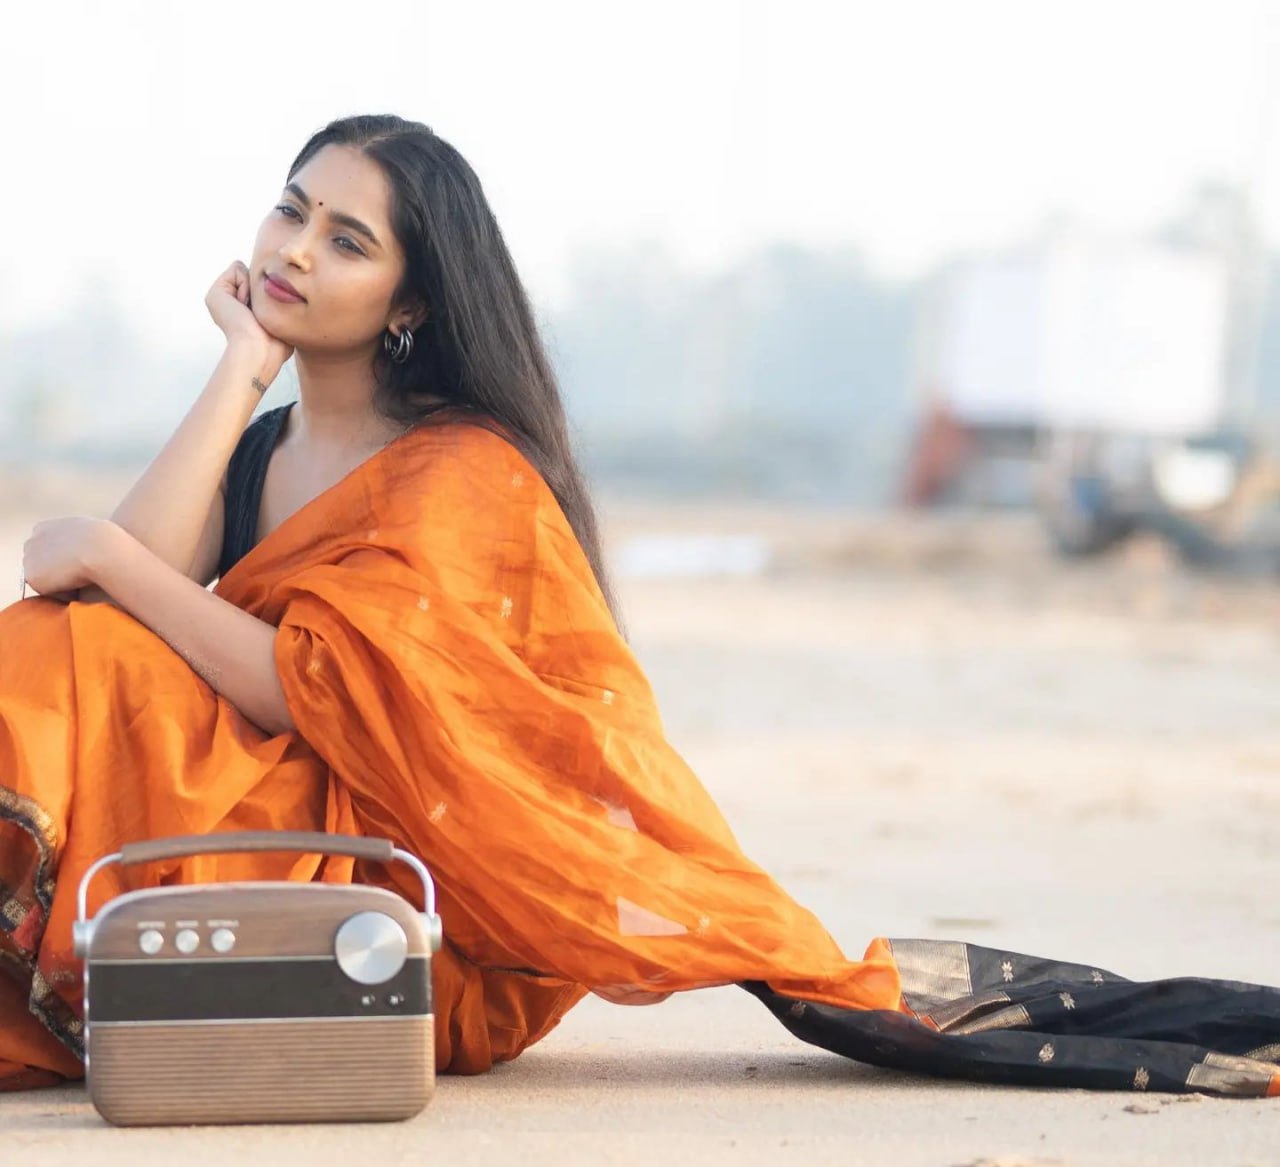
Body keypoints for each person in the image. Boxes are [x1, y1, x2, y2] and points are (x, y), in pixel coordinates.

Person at [3, 115, 1278, 1099]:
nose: (292, 249)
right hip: (263, 816)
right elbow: (118, 574)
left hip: (407, 903)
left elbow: (300, 683)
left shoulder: (464, 473)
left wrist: (118, 571)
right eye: (291, 211)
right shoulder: (267, 442)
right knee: (73, 644)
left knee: (89, 637)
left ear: (411, 301)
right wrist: (238, 368)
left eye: (347, 239)